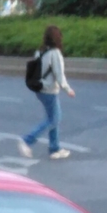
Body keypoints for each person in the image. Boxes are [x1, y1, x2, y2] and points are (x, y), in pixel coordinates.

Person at [17, 24, 75, 160]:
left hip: (39, 89)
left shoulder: (40, 52)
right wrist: (68, 89)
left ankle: (54, 149)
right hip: (49, 90)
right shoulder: (55, 53)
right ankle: (27, 140)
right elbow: (59, 75)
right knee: (54, 119)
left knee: (52, 117)